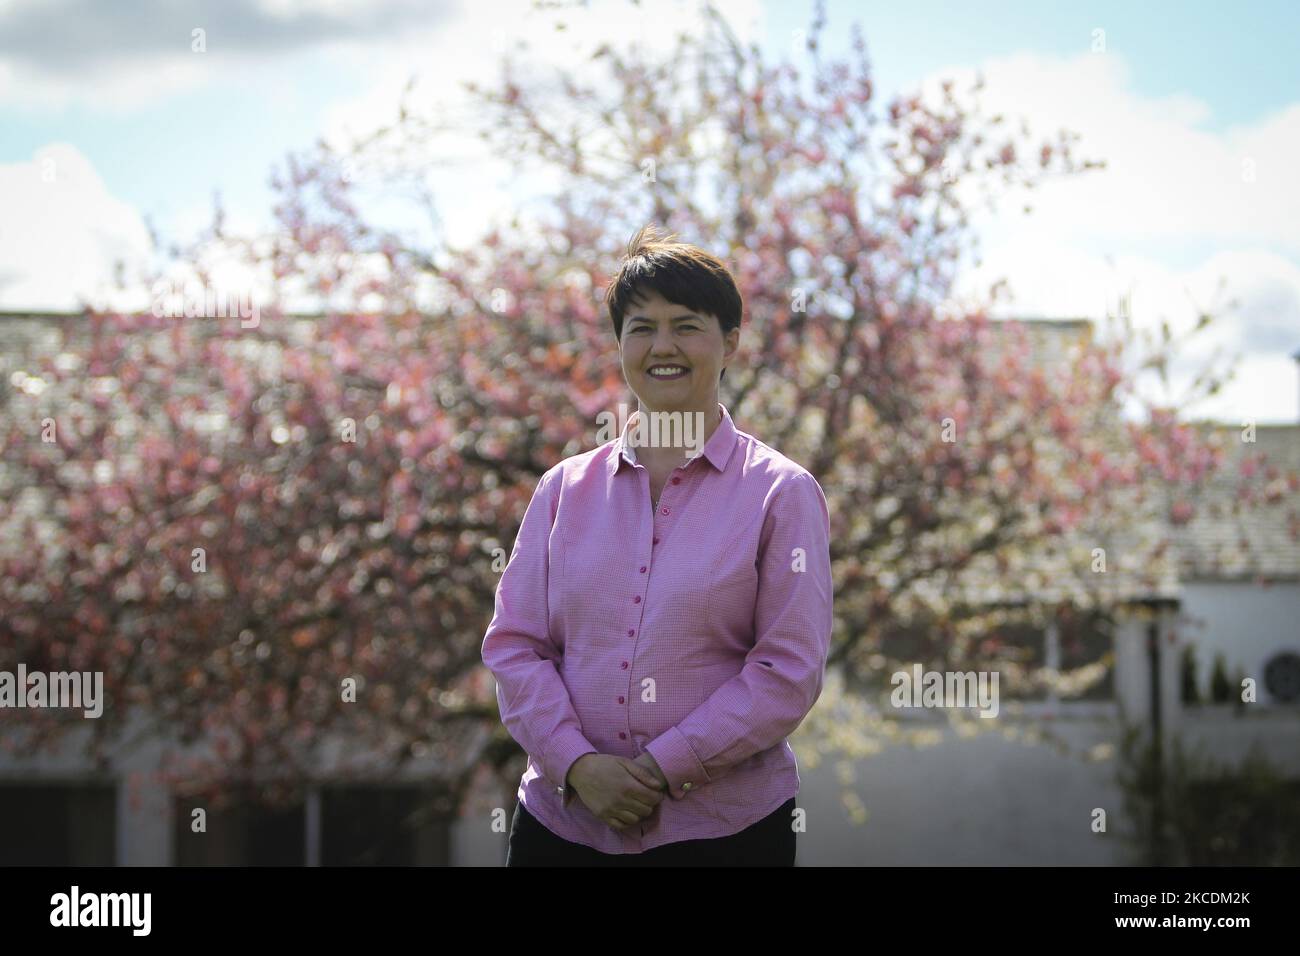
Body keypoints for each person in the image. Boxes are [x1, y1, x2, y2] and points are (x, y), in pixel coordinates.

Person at [481, 224, 833, 866]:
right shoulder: (563, 490)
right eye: (641, 327)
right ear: (619, 344)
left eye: (686, 325)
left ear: (729, 342)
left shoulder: (780, 494)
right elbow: (516, 645)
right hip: (564, 828)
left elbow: (787, 670)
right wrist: (579, 766)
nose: (662, 346)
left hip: (726, 833)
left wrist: (663, 768)